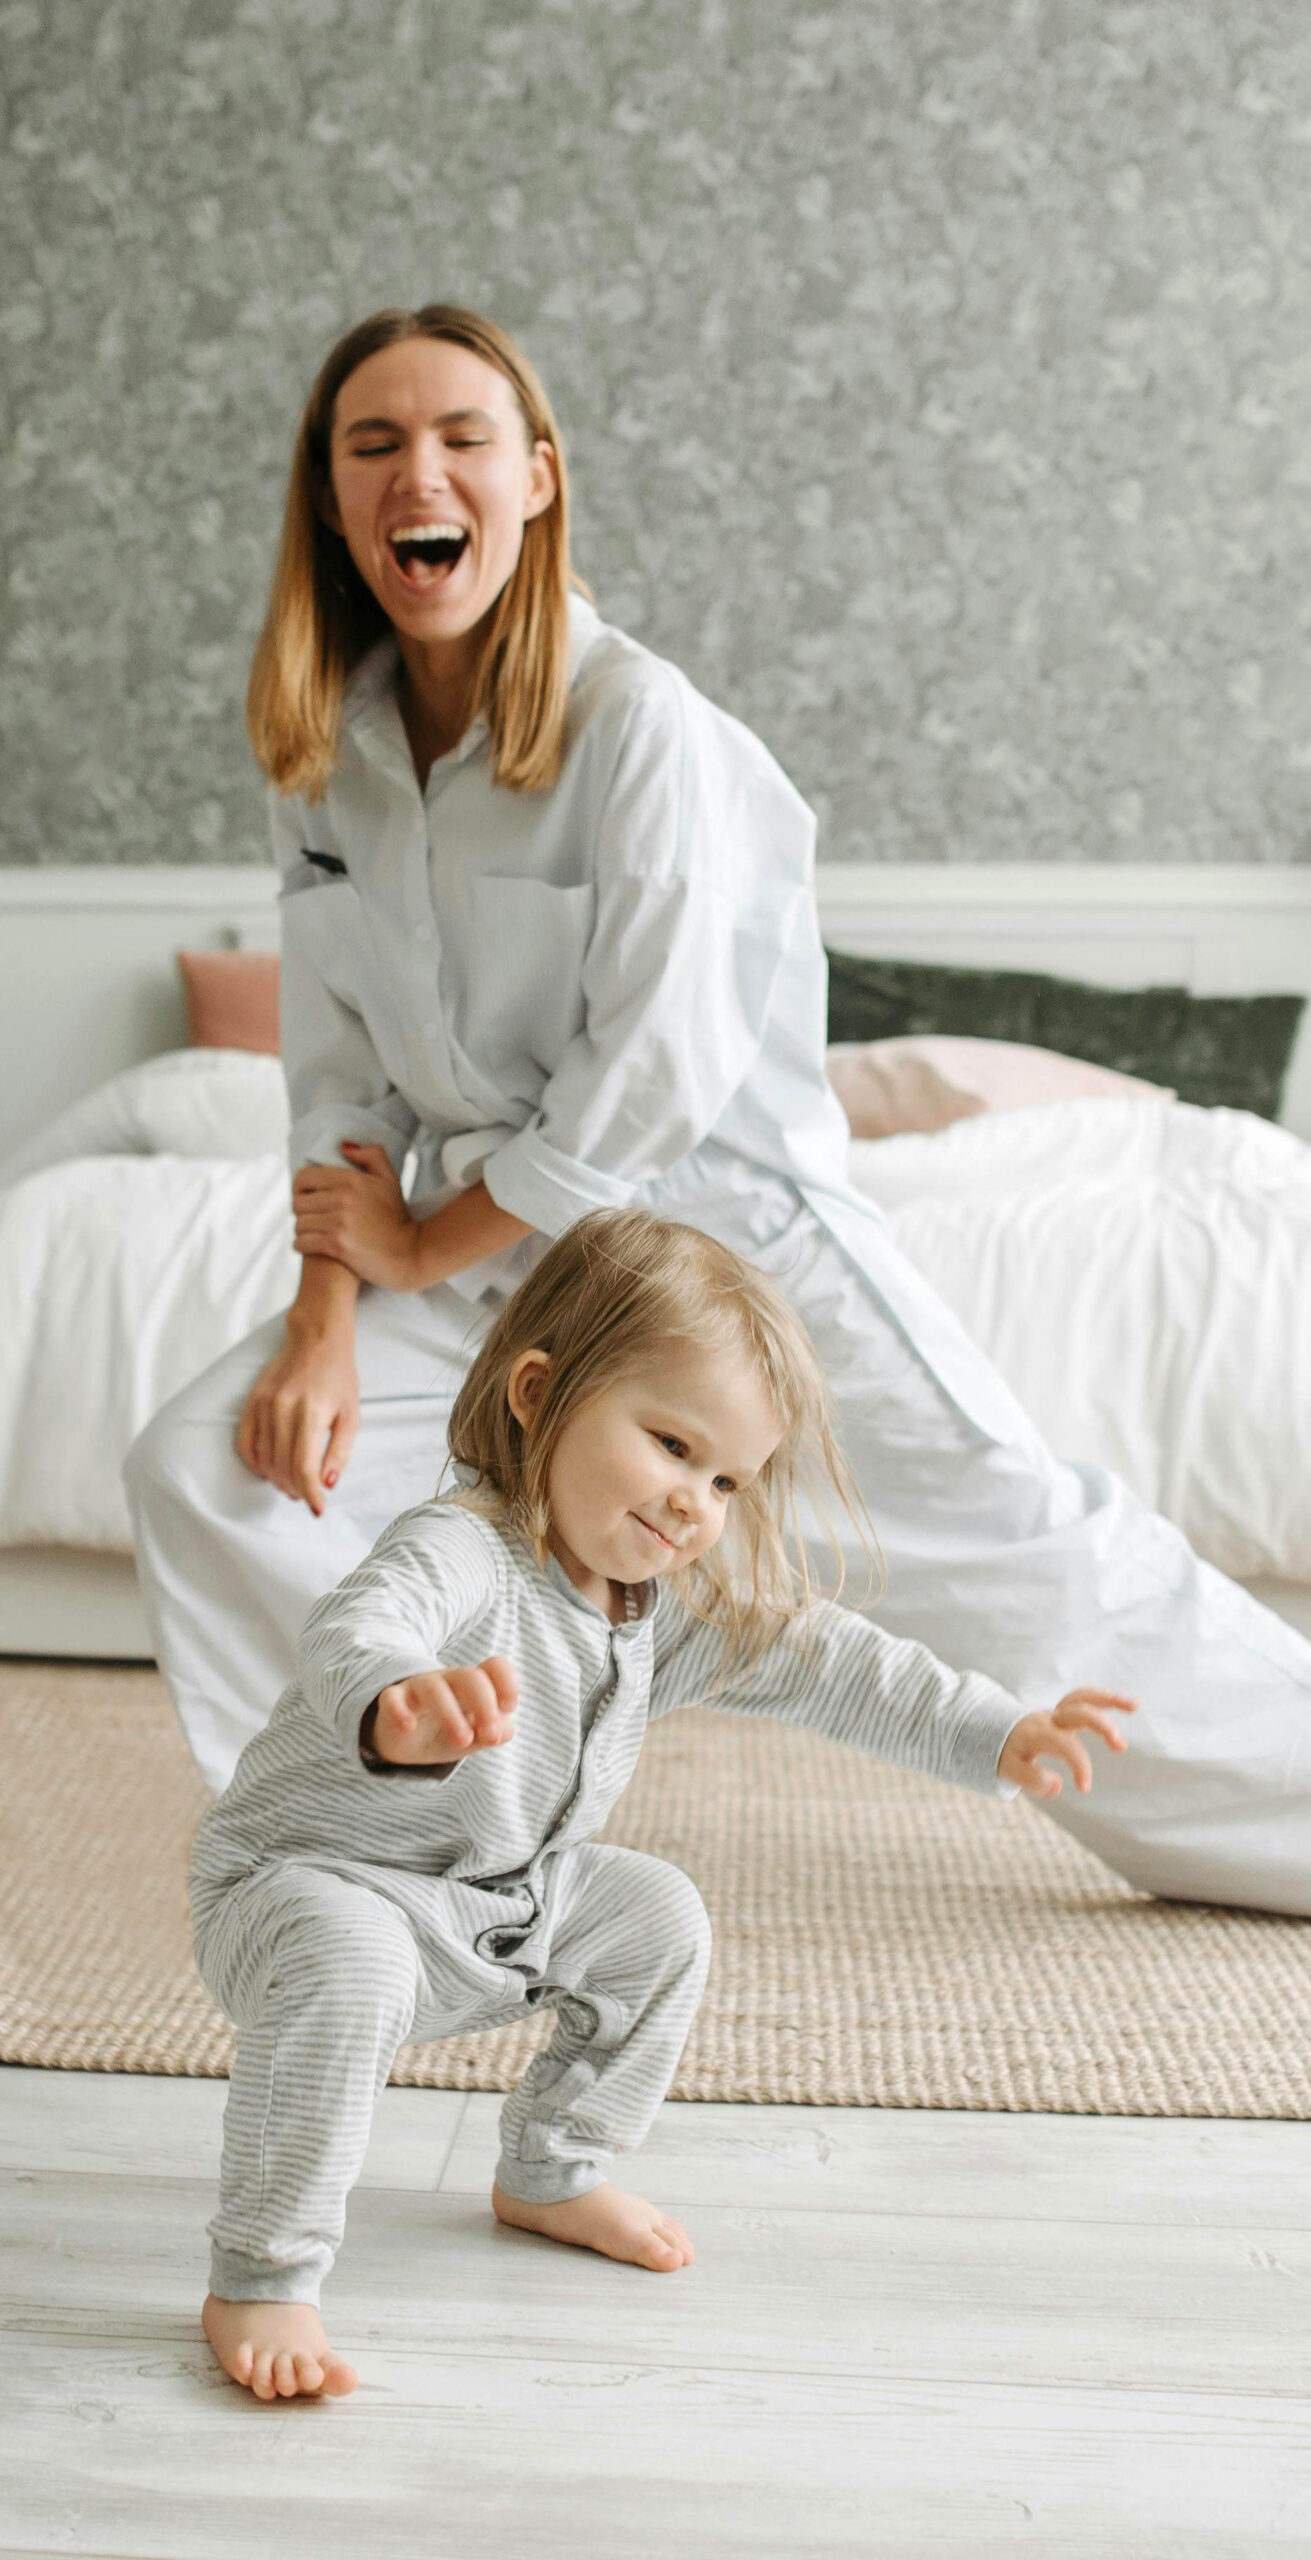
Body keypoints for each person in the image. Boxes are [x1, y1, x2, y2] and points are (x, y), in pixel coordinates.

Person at [125, 300, 1311, 1913]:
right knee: (222, 1467)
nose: (423, 470)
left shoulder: (641, 727)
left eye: (464, 437)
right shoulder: (321, 758)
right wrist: (330, 1313)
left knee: (1022, 1551)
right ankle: (390, 1861)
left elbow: (654, 1075)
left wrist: (417, 1251)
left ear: (536, 480)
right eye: (375, 443)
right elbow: (338, 1079)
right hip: (492, 1266)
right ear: (331, 503)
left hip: (731, 1252)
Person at [191, 1210, 1134, 2401]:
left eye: (728, 1478)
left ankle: (553, 2167)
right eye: (673, 1445)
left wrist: (996, 1729)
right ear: (539, 1393)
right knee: (352, 1953)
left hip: (488, 1902)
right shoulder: (465, 1550)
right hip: (301, 1892)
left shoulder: (654, 1605)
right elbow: (360, 1623)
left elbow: (830, 1659)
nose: (697, 1501)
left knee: (658, 1913)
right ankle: (263, 2274)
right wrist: (396, 1703)